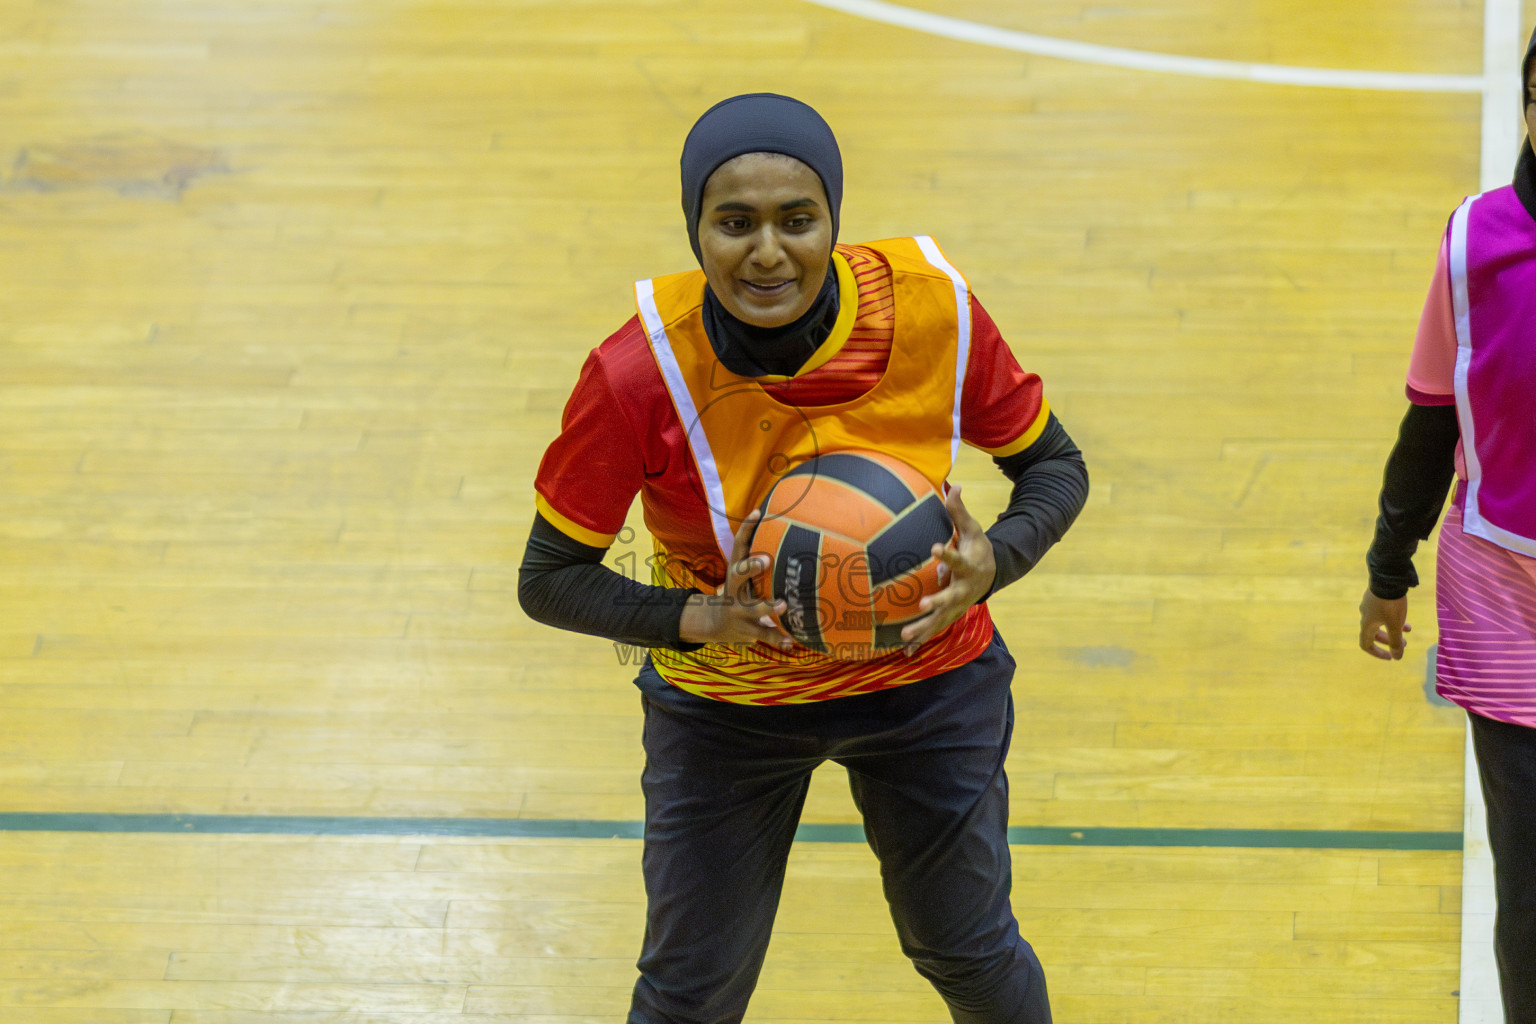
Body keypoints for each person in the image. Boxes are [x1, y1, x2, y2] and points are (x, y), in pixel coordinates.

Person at [520, 92, 1088, 1024]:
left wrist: (998, 561)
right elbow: (548, 579)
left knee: (971, 954)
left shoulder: (933, 312)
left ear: (833, 219)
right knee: (688, 998)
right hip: (726, 713)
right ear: (694, 229)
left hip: (929, 689)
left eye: (797, 219)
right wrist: (699, 616)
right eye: (734, 223)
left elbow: (1055, 467)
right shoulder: (637, 373)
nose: (768, 252)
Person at [1358, 28, 1536, 1024]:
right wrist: (1390, 570)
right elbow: (1430, 423)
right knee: (1532, 883)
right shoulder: (1475, 243)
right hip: (1507, 599)